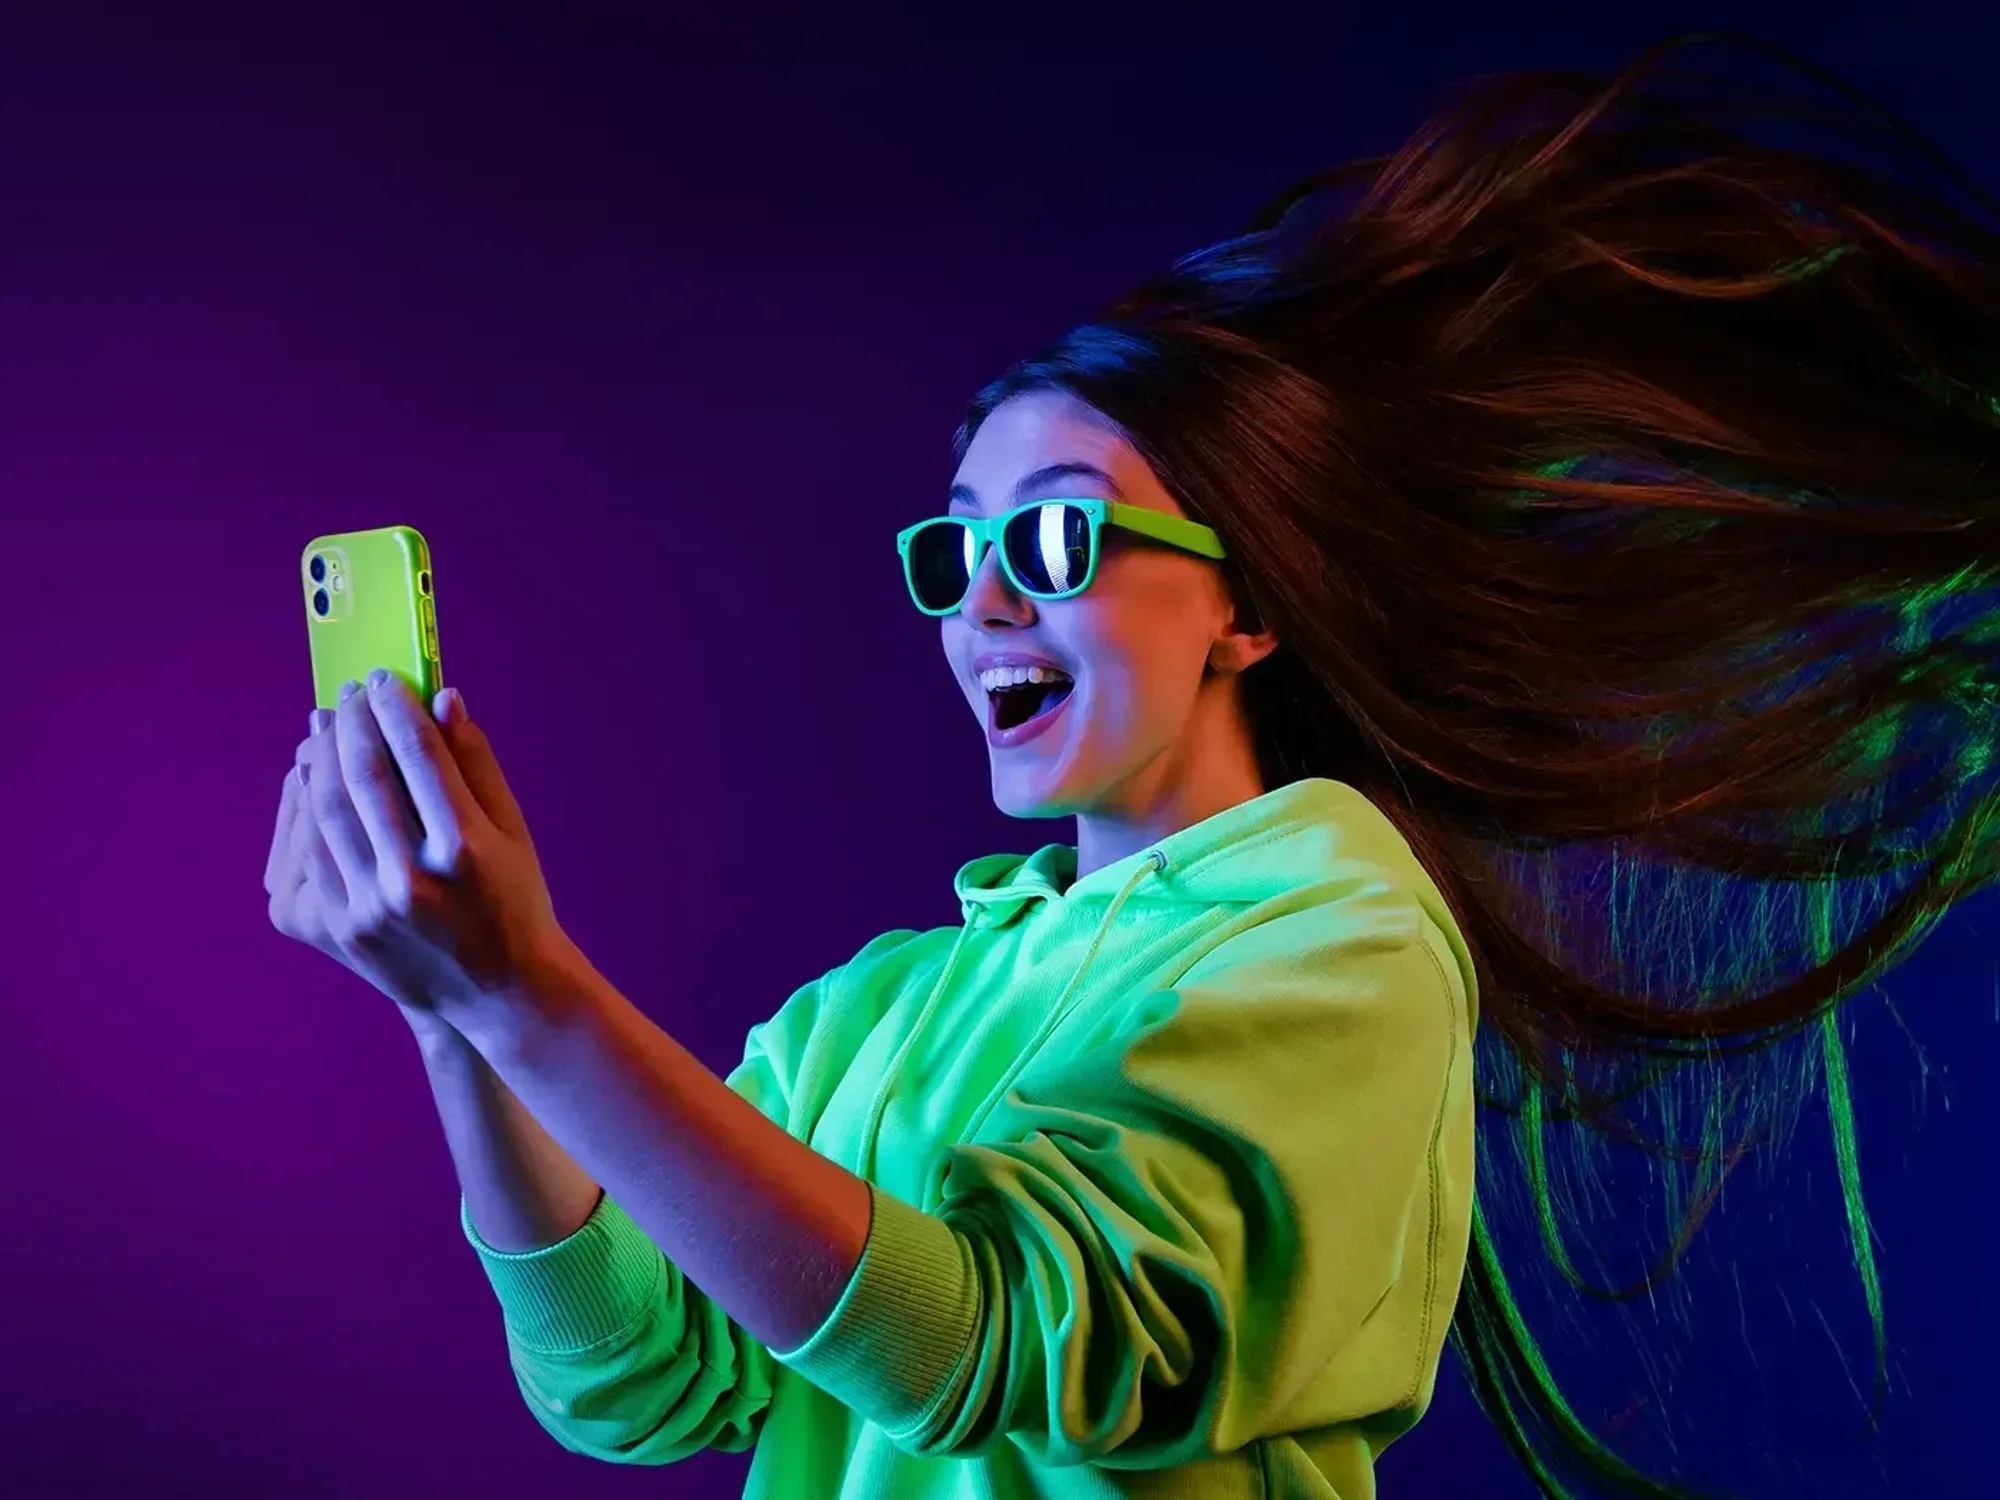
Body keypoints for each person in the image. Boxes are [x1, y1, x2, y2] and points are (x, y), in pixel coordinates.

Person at [262, 32, 2000, 1500]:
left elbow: (987, 1344)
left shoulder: (1335, 928)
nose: (983, 602)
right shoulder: (880, 1011)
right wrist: (450, 1010)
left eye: (1056, 536)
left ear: (1245, 607)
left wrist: (525, 992)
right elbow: (634, 1387)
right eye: (955, 552)